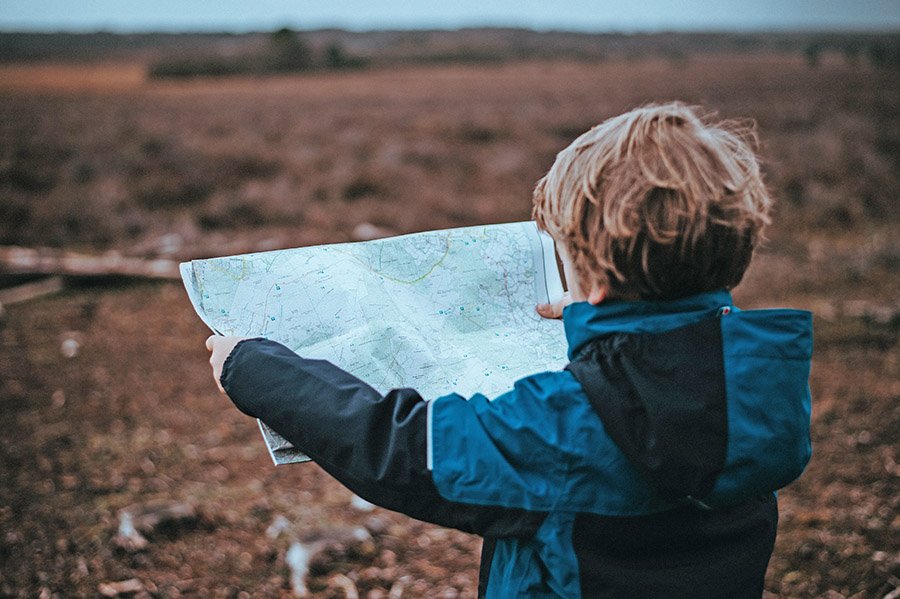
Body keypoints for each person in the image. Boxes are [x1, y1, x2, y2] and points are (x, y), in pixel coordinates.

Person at [205, 102, 812, 598]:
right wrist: (595, 316)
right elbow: (667, 367)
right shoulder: (763, 389)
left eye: (565, 257)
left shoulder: (564, 427)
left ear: (595, 279)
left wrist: (252, 366)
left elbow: (402, 449)